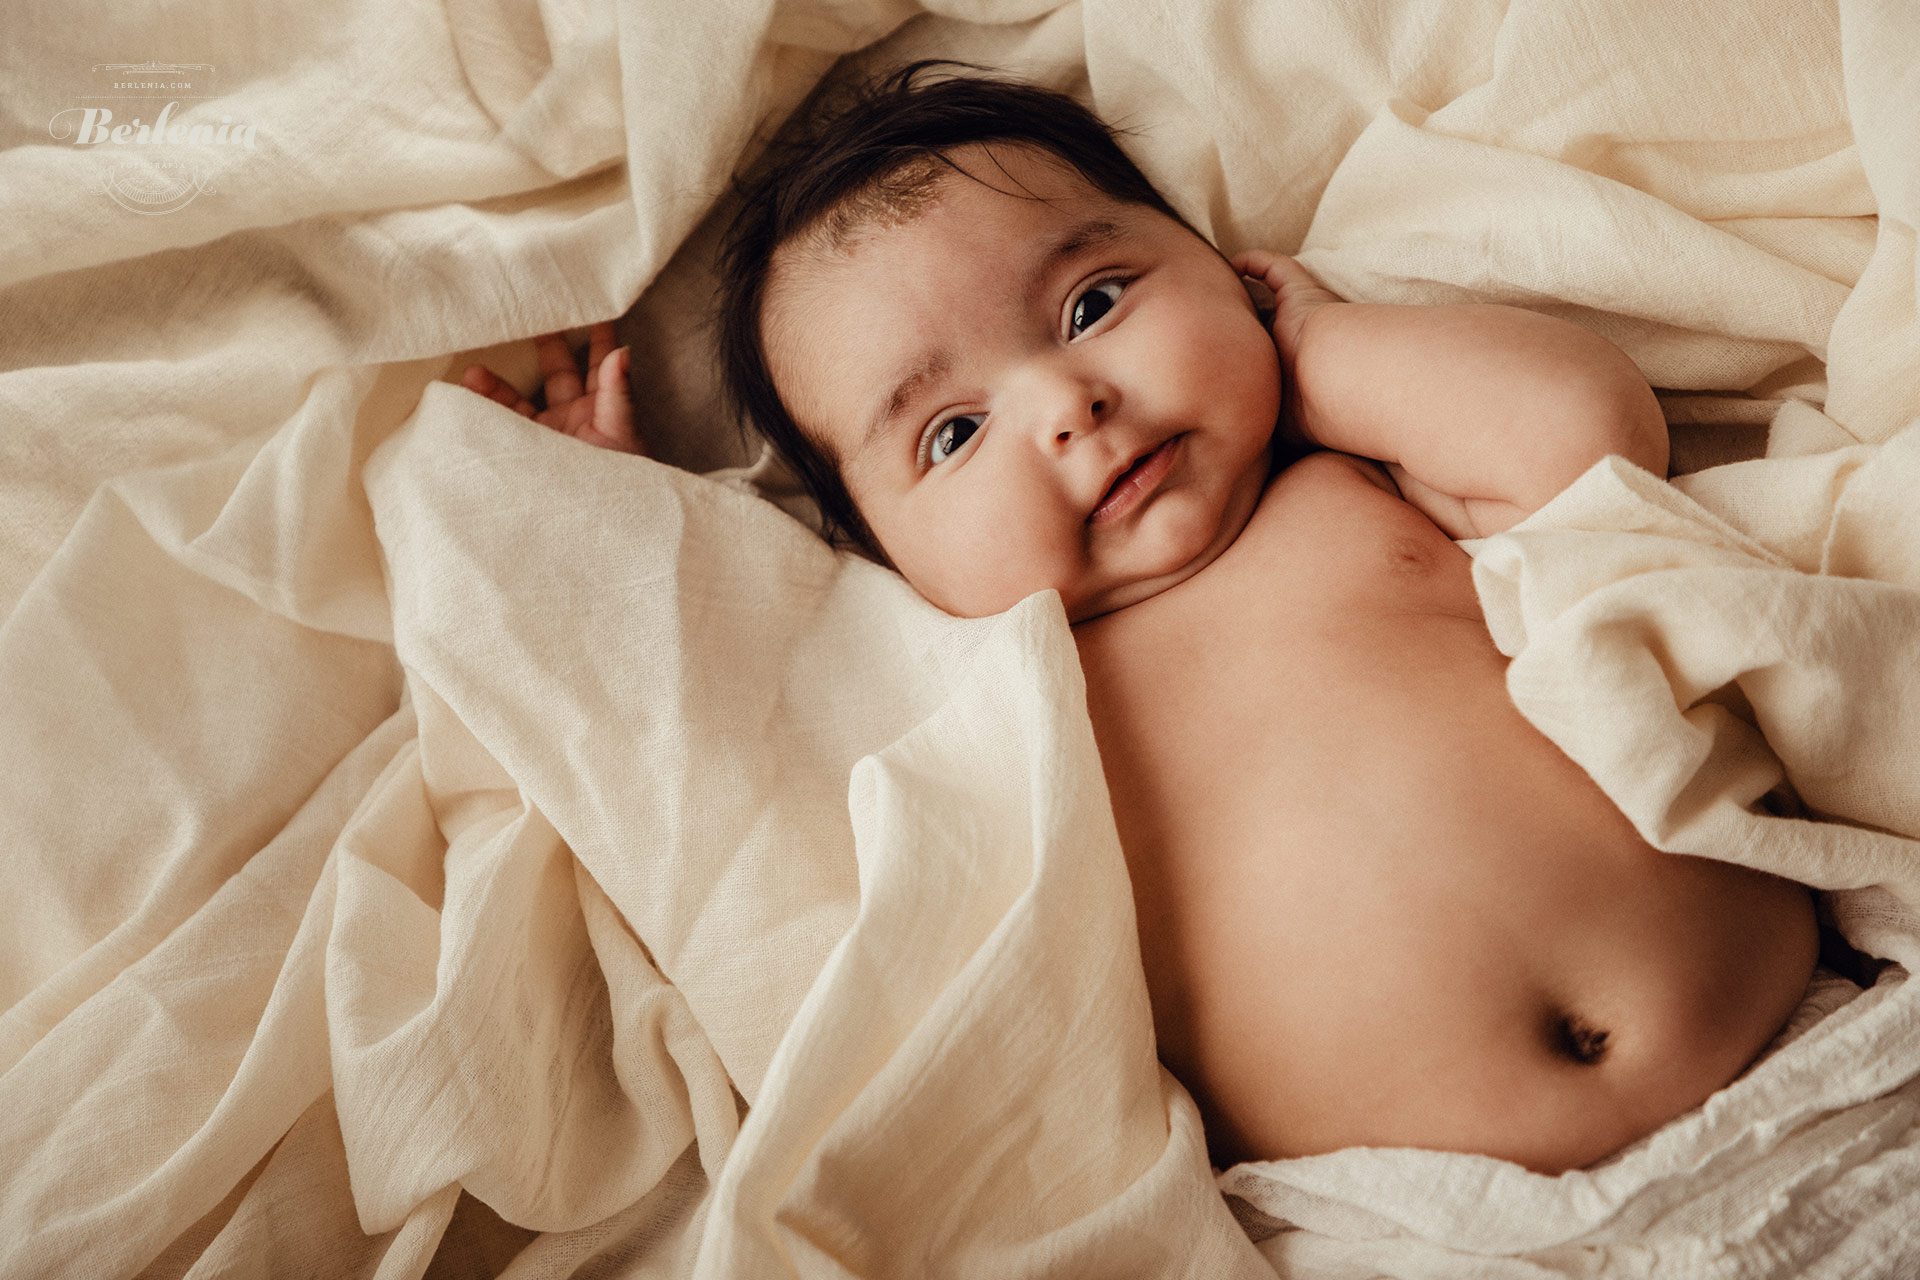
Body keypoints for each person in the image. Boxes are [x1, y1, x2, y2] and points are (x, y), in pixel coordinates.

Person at [461, 64, 1819, 1175]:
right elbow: (732, 780)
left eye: (1094, 304)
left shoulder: (1355, 485)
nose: (1066, 404)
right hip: (1415, 1231)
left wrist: (1317, 355)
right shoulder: (993, 695)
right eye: (952, 433)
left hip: (1825, 1063)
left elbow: (1586, 436)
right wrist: (609, 522)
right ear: (878, 553)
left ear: (1230, 269)